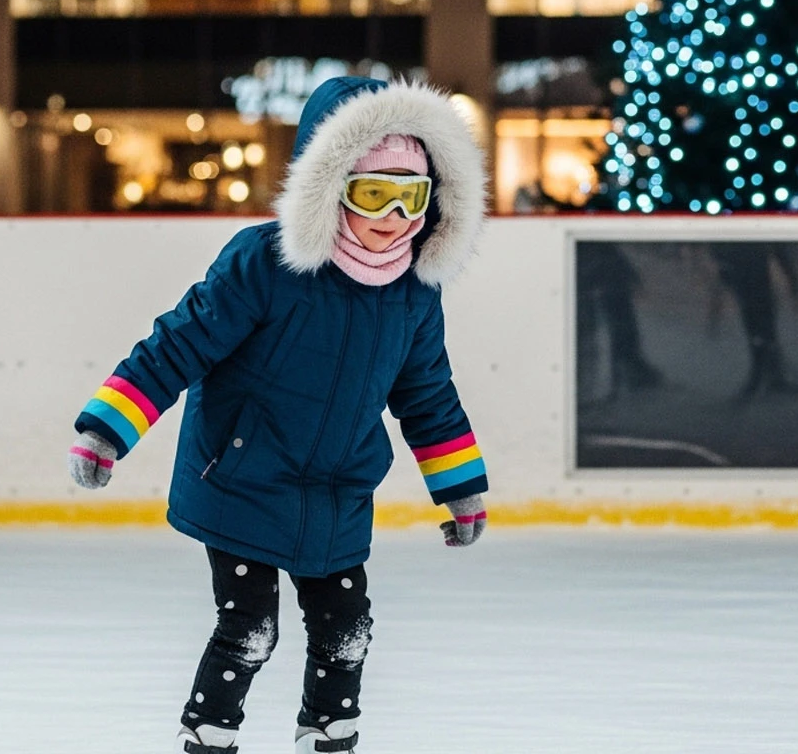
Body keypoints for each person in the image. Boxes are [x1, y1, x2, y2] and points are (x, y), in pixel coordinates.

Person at [66, 76, 490, 754]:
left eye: (410, 196)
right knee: (249, 628)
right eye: (371, 192)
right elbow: (180, 341)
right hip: (241, 476)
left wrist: (461, 488)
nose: (392, 215)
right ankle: (209, 736)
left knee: (347, 629)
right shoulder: (263, 263)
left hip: (336, 488)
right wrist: (107, 428)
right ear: (330, 189)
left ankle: (328, 737)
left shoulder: (413, 293)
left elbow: (428, 397)